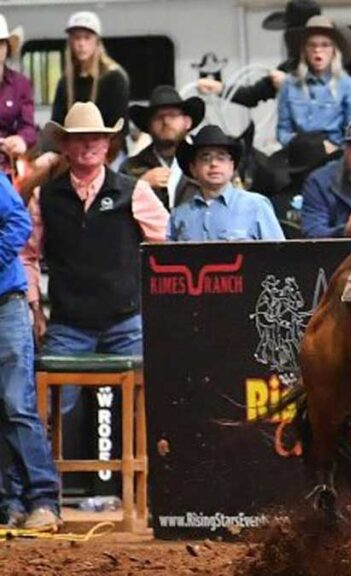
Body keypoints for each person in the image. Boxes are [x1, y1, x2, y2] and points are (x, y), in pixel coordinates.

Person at [29, 102, 168, 414]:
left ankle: (142, 465)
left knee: (146, 409)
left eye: (96, 137)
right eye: (79, 138)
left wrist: (158, 308)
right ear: (64, 145)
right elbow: (27, 256)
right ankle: (51, 465)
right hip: (68, 325)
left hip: (126, 321)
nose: (89, 144)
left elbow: (166, 248)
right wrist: (35, 309)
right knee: (49, 412)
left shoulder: (134, 191)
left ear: (108, 144)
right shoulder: (45, 197)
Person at [0, 172, 61, 532]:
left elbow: (19, 222)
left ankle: (43, 501)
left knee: (16, 403)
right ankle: (10, 503)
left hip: (5, 303)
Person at [196, 0, 322, 108]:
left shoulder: (336, 66)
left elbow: (330, 102)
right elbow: (252, 95)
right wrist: (219, 88)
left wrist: (289, 86)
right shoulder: (289, 67)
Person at [168, 125, 283, 242]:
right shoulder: (179, 215)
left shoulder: (256, 205)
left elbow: (278, 254)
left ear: (232, 166)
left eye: (221, 157)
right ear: (193, 168)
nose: (213, 164)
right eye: (205, 158)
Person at [50, 11, 129, 161]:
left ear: (97, 42)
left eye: (87, 38)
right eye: (77, 38)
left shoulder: (115, 78)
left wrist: (100, 159)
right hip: (73, 152)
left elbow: (119, 132)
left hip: (110, 151)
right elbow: (57, 124)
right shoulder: (65, 82)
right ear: (71, 42)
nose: (81, 44)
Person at [277, 15, 351, 150]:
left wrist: (334, 148)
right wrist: (300, 145)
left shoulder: (350, 87)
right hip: (298, 153)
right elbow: (283, 130)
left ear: (334, 50)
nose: (318, 50)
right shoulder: (289, 85)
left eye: (325, 45)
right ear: (304, 50)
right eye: (312, 45)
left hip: (333, 155)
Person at [121, 86, 205, 210]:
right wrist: (140, 186)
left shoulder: (208, 158)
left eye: (172, 115)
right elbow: (117, 210)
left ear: (187, 122)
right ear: (148, 125)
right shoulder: (132, 167)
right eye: (158, 117)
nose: (166, 121)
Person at [0, 16, 34, 179]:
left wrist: (21, 140)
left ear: (7, 47)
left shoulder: (20, 84)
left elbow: (29, 127)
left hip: (11, 165)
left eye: (0, 44)